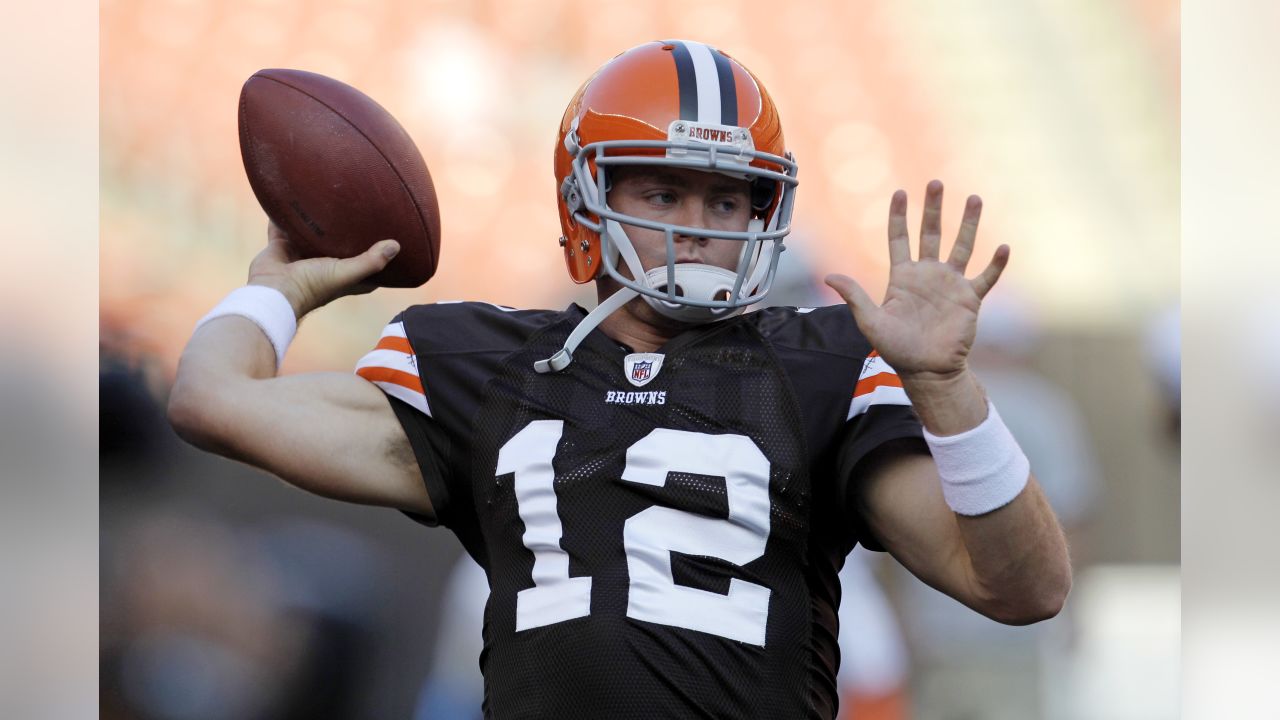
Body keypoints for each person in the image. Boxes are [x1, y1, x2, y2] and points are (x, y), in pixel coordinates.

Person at [169, 39, 1071, 719]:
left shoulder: (820, 363)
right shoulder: (481, 363)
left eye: (726, 199)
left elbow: (1023, 589)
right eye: (662, 193)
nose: (699, 225)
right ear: (587, 203)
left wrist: (947, 387)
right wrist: (275, 293)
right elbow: (215, 400)